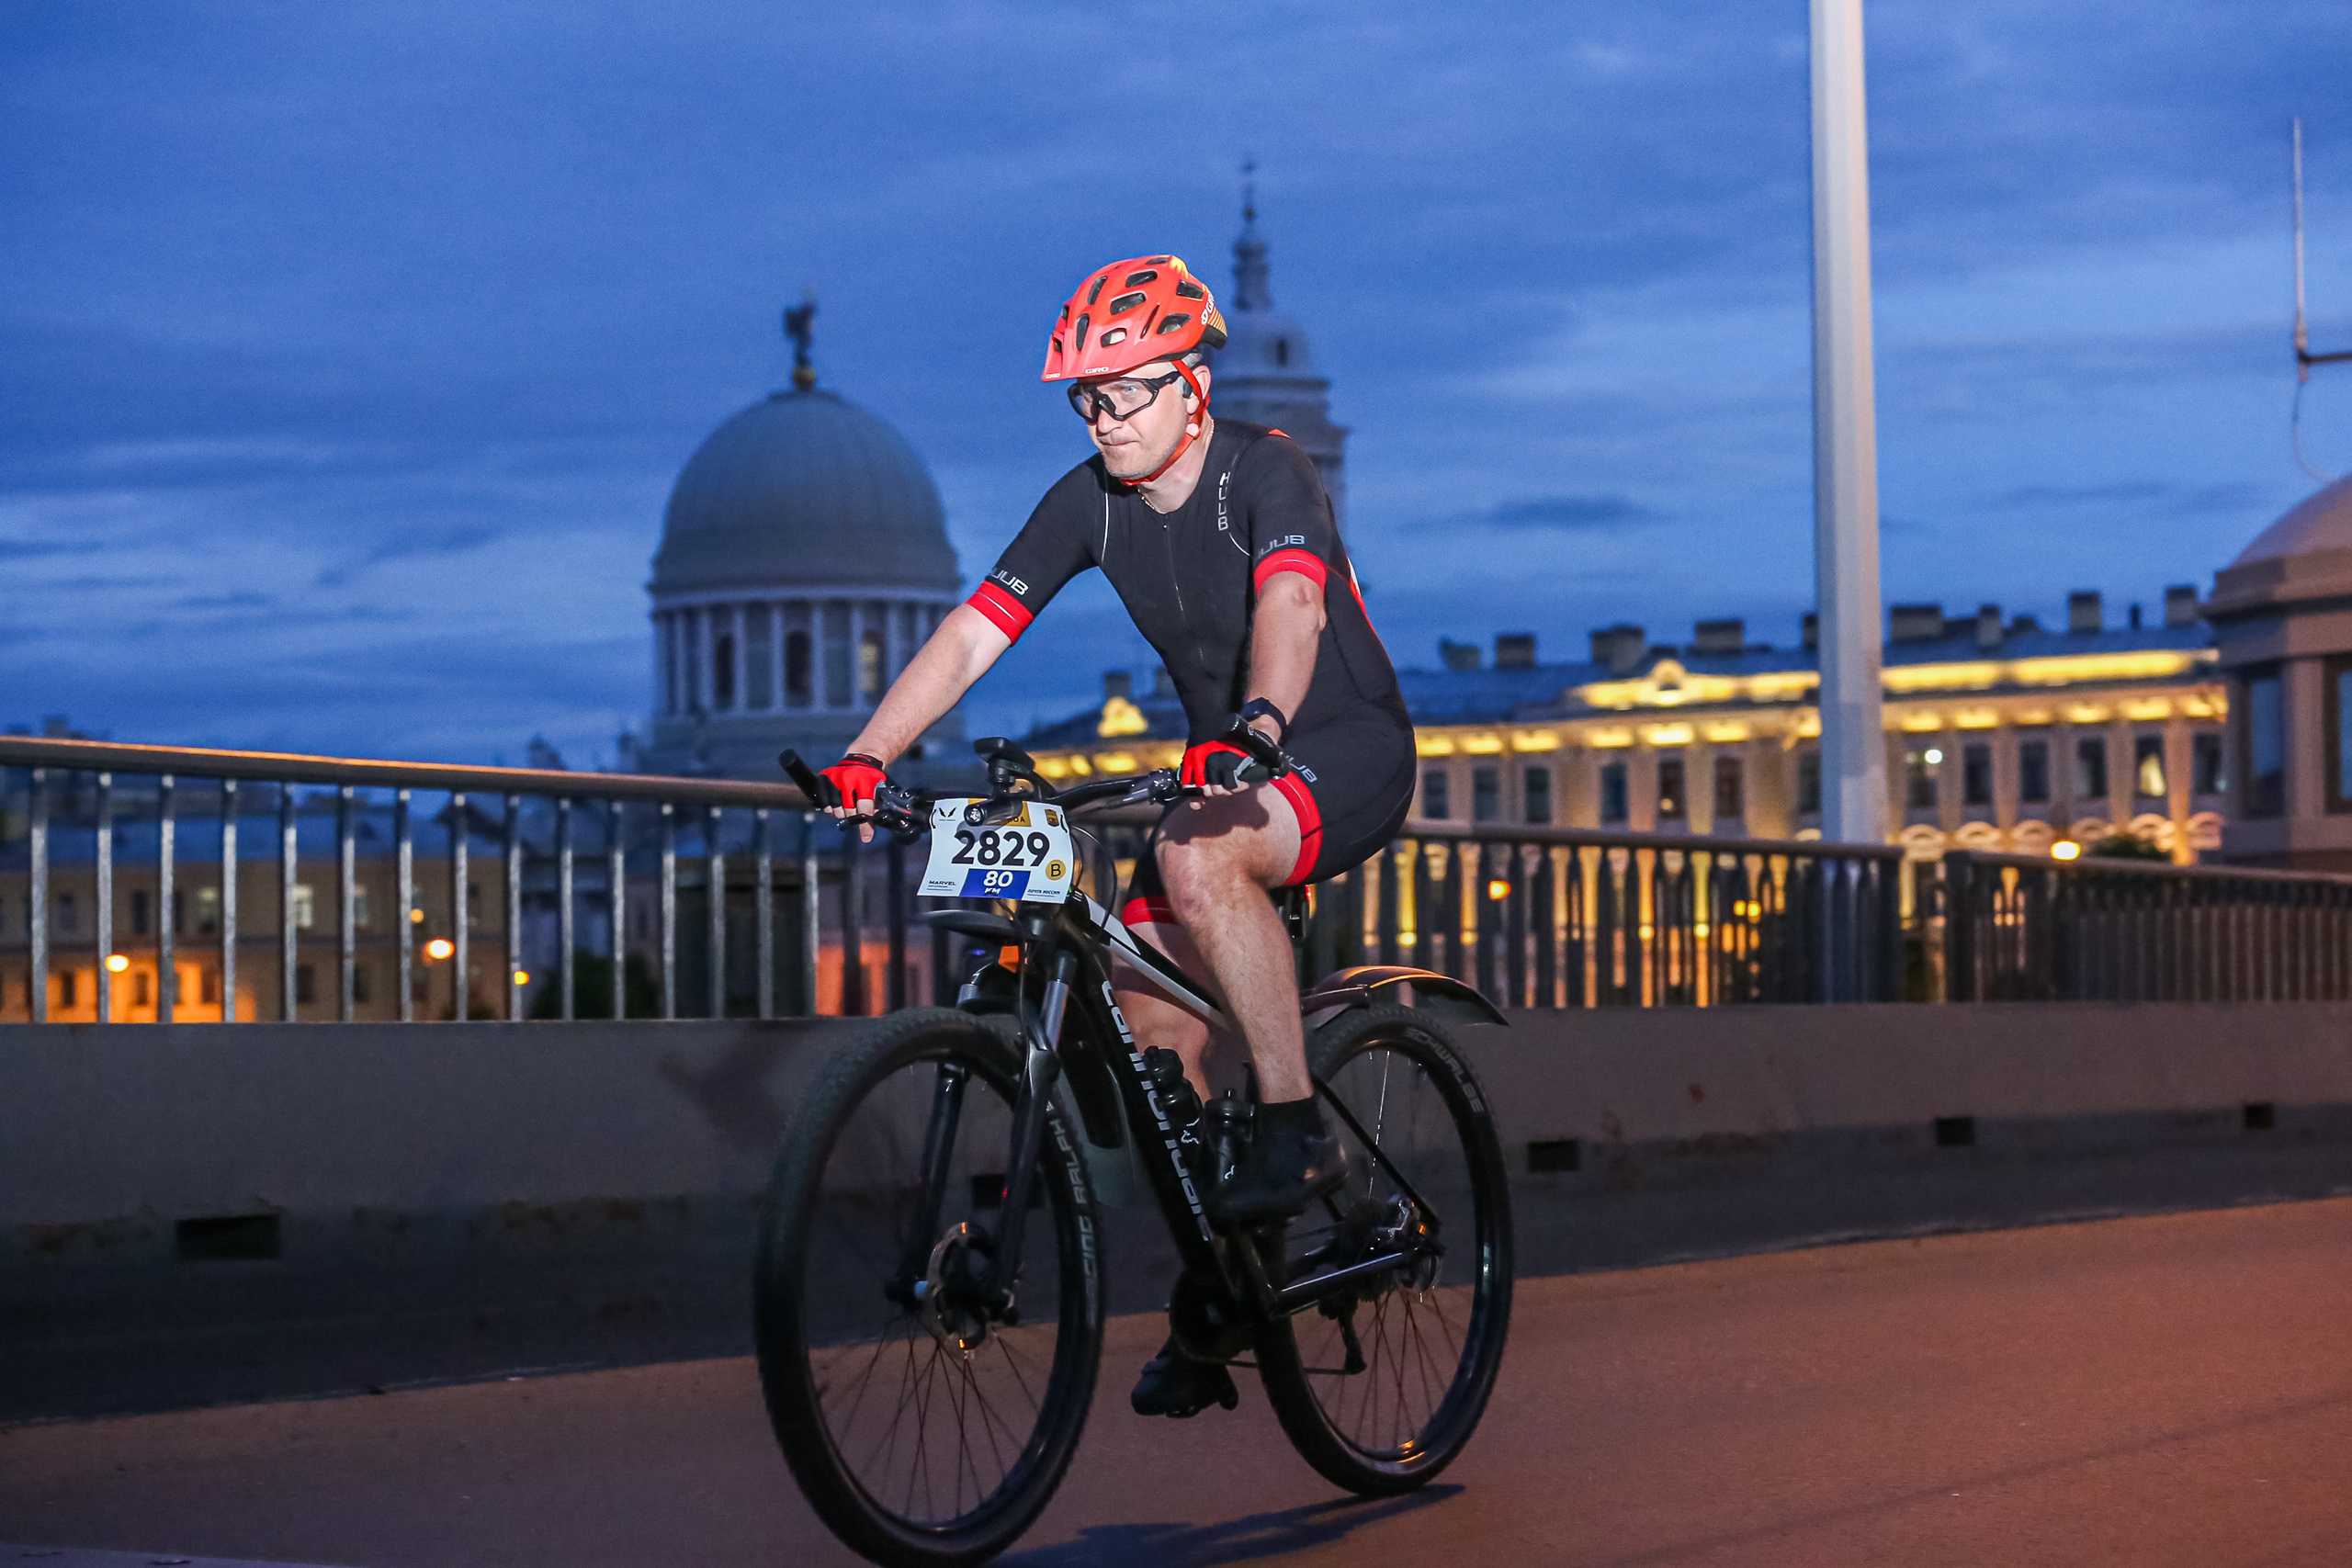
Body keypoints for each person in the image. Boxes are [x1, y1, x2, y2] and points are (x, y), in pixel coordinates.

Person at [816, 253, 1416, 1417]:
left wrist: (1257, 721)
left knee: (1195, 858)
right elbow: (971, 635)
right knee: (1152, 1048)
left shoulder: (1267, 469)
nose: (1105, 420)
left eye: (1125, 392)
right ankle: (1223, 1291)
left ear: (1192, 382)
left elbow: (1291, 603)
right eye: (1086, 399)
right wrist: (869, 752)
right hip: (1219, 773)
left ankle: (1299, 1129)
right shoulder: (1086, 498)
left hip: (1331, 748)